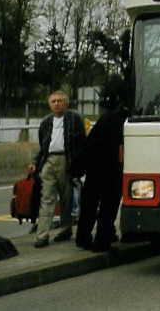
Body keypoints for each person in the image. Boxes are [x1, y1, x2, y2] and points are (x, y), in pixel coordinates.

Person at [28, 90, 86, 248]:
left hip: (67, 160)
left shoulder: (75, 118)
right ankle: (42, 235)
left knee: (66, 198)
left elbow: (82, 142)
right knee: (46, 198)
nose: (56, 104)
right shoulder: (46, 122)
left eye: (60, 101)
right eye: (53, 101)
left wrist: (79, 164)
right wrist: (35, 161)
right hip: (49, 161)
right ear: (49, 104)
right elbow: (43, 146)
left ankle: (66, 229)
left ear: (66, 103)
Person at [75, 108, 126, 252]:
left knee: (89, 204)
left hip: (93, 166)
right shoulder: (123, 122)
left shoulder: (105, 120)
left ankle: (83, 237)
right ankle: (102, 241)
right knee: (109, 205)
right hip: (112, 168)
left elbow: (89, 144)